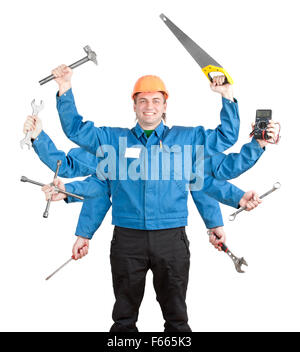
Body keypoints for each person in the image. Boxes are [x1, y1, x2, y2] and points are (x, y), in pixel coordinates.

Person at [28, 64, 272, 332]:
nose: (149, 106)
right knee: (123, 319)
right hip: (127, 240)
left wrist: (227, 94)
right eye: (142, 100)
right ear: (133, 105)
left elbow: (215, 158)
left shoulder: (187, 140)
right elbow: (80, 141)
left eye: (156, 100)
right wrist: (65, 88)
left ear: (165, 105)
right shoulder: (112, 141)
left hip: (171, 239)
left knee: (177, 318)